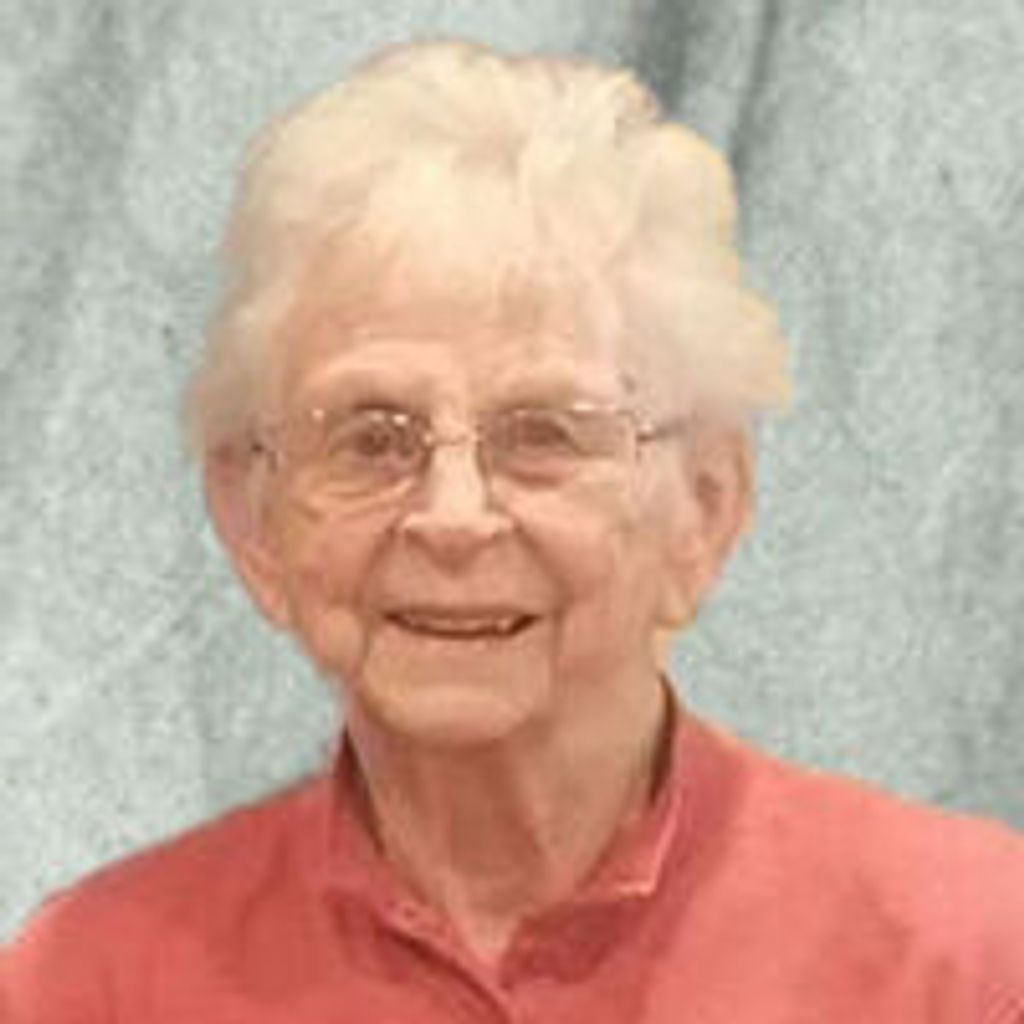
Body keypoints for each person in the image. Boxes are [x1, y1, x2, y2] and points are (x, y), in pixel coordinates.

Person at [2, 38, 1022, 1022]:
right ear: (253, 521)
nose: (452, 517)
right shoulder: (89, 987)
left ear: (705, 507)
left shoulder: (975, 960)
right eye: (371, 438)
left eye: (543, 435)